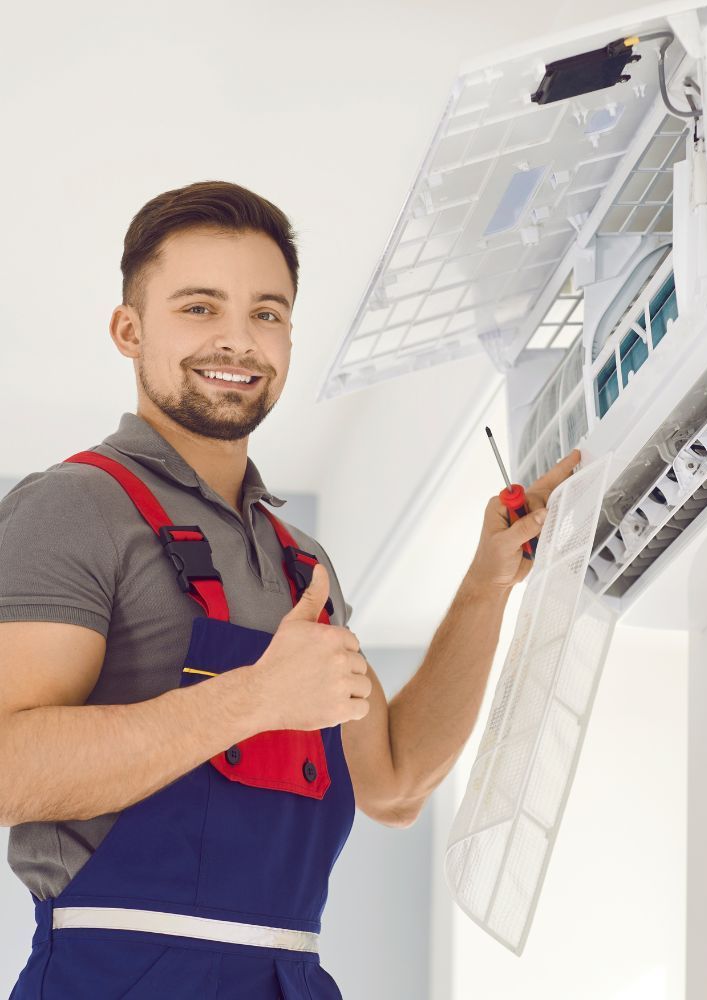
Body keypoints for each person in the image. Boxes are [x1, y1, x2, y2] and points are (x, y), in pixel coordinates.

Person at [0, 179, 580, 999]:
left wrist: (487, 586)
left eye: (266, 314)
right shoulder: (72, 508)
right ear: (129, 331)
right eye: (200, 308)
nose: (238, 341)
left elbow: (397, 783)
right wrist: (254, 699)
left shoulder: (302, 564)